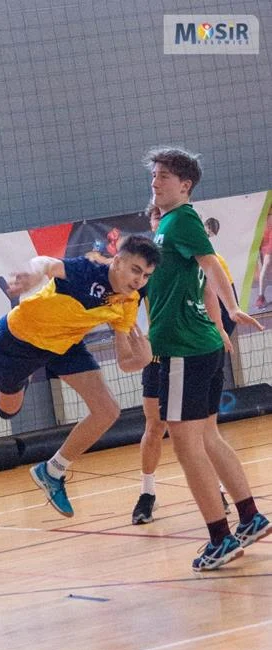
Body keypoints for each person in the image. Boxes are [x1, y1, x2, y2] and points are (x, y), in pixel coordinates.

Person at [142, 146, 270, 571]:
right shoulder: (168, 225)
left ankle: (221, 538)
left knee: (186, 445)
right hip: (199, 344)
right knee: (209, 437)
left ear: (185, 185)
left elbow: (211, 264)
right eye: (154, 175)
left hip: (185, 348)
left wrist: (231, 307)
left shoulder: (183, 219)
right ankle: (249, 517)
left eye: (163, 176)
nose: (155, 182)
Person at [0, 234, 161, 517]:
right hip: (19, 341)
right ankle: (22, 380)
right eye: (135, 270)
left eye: (146, 275)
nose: (139, 280)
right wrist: (34, 274)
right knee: (8, 410)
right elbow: (46, 262)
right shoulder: (88, 270)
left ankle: (52, 471)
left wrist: (142, 360)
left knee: (108, 411)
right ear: (118, 261)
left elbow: (124, 361)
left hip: (65, 345)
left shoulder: (129, 300)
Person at [131, 208, 237, 524]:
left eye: (161, 218)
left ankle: (217, 491)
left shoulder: (204, 261)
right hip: (159, 353)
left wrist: (220, 329)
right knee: (155, 425)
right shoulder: (147, 267)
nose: (159, 224)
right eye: (155, 219)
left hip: (193, 350)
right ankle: (147, 493)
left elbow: (212, 295)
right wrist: (131, 342)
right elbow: (125, 306)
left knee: (201, 429)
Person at [256, 206, 272, 309]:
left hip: (265, 231)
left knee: (265, 267)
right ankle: (260, 297)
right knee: (265, 267)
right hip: (267, 233)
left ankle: (261, 297)